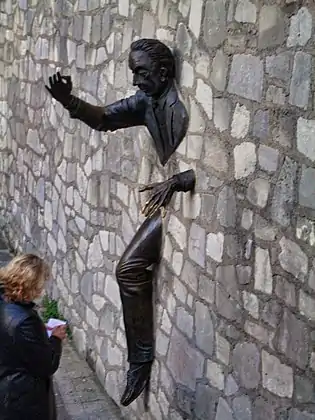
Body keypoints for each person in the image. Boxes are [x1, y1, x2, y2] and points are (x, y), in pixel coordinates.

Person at [45, 38, 195, 407]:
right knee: (128, 270)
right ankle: (138, 363)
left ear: (163, 73)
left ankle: (139, 362)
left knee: (128, 270)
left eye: (141, 73)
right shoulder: (146, 102)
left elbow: (216, 174)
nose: (136, 81)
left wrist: (176, 180)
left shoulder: (181, 110)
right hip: (165, 205)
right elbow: (105, 118)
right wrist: (69, 101)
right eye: (133, 73)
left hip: (176, 203)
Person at [0, 254, 67, 420]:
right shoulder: (26, 321)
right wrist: (56, 339)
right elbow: (46, 365)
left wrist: (36, 332)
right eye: (40, 284)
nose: (42, 289)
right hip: (22, 397)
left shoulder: (5, 303)